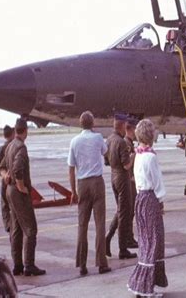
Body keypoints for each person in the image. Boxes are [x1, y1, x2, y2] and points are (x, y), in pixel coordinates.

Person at [0, 118, 46, 276]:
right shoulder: (21, 147)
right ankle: (29, 265)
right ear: (25, 130)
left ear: (15, 130)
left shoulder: (10, 145)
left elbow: (2, 167)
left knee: (17, 229)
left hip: (9, 191)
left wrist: (6, 176)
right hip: (18, 192)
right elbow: (18, 168)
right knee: (31, 229)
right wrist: (21, 186)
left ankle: (17, 265)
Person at [127, 118, 168, 297]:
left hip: (140, 198)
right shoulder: (150, 156)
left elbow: (138, 181)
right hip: (150, 199)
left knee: (145, 240)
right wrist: (161, 200)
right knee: (154, 240)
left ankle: (143, 284)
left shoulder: (138, 154)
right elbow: (157, 181)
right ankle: (146, 288)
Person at [68, 111, 111, 276]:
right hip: (97, 182)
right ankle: (101, 263)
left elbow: (71, 169)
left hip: (82, 183)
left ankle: (82, 264)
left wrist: (73, 191)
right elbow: (105, 153)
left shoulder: (74, 141)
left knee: (82, 225)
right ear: (92, 124)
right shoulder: (98, 138)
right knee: (100, 224)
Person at [105, 113, 137, 260]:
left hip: (113, 176)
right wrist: (134, 156)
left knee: (120, 211)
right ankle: (122, 248)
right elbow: (126, 166)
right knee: (124, 214)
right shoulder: (122, 142)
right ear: (123, 125)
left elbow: (106, 161)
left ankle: (108, 238)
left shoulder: (109, 139)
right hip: (123, 179)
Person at [0, 125, 15, 233]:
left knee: (4, 203)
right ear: (12, 134)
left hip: (4, 179)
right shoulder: (14, 146)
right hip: (14, 180)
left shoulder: (2, 148)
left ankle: (8, 224)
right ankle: (15, 224)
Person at [125, 117, 139, 248]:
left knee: (126, 212)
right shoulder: (127, 144)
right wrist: (136, 153)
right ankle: (128, 238)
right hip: (128, 181)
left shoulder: (128, 142)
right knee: (128, 212)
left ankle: (128, 237)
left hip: (128, 180)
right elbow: (127, 164)